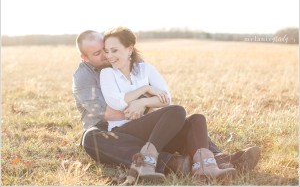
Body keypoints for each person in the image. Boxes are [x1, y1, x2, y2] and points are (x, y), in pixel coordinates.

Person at [72, 29, 261, 184]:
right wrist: (144, 109)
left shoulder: (134, 65)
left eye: (107, 49)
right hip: (109, 130)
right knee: (91, 139)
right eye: (99, 53)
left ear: (128, 49)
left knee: (191, 120)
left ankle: (219, 159)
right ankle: (173, 163)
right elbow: (107, 113)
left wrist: (144, 104)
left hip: (144, 123)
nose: (106, 55)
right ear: (85, 57)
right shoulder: (85, 76)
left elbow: (163, 97)